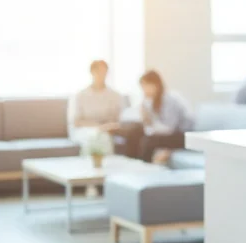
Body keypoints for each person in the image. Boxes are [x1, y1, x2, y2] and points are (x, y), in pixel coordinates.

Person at [68, 59, 125, 197]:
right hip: (84, 130)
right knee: (94, 137)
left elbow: (121, 118)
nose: (102, 74)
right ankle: (91, 183)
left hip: (107, 131)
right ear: (91, 72)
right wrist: (98, 127)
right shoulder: (81, 95)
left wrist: (109, 126)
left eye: (105, 71)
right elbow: (76, 121)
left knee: (104, 137)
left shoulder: (115, 95)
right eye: (98, 71)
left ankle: (110, 181)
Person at [137, 70, 194, 165]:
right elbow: (153, 128)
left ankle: (145, 167)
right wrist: (146, 117)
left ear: (155, 85)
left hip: (184, 136)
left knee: (149, 141)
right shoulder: (153, 101)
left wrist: (149, 121)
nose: (144, 90)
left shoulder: (170, 99)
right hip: (172, 135)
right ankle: (137, 165)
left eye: (145, 86)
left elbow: (169, 129)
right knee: (136, 131)